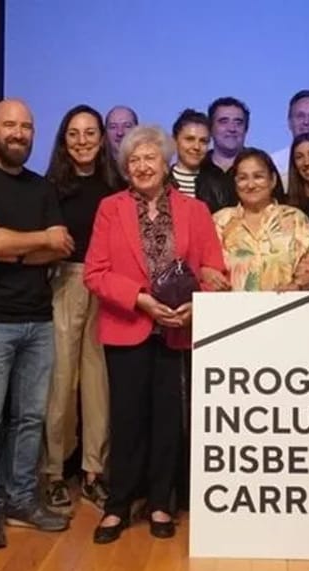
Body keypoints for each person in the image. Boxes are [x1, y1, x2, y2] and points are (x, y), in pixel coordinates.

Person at [84, 125, 226, 544]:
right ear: (126, 168)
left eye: (151, 159)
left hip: (176, 330)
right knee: (126, 420)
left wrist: (194, 305)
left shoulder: (195, 210)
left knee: (168, 420)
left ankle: (161, 501)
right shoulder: (110, 208)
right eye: (135, 160)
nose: (143, 166)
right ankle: (118, 505)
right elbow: (94, 274)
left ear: (166, 164)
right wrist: (140, 299)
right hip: (127, 324)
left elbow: (213, 269)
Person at [0, 99, 71, 549]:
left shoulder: (42, 188)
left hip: (37, 320)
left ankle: (22, 500)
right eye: (10, 125)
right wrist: (37, 240)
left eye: (26, 126)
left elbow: (60, 247)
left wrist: (18, 246)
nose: (19, 133)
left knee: (30, 419)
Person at [43, 105, 117, 514]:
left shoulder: (116, 184)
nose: (83, 140)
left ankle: (93, 472)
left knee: (98, 381)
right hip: (64, 282)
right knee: (58, 381)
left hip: (106, 285)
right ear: (64, 139)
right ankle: (54, 472)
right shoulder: (49, 186)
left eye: (90, 133)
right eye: (74, 133)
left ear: (103, 138)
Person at [213, 148, 309, 291]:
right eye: (243, 178)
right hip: (233, 310)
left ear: (273, 180)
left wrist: (297, 286)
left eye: (258, 176)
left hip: (285, 308)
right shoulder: (220, 220)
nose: (251, 185)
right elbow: (207, 268)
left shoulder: (295, 218)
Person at [170, 109, 235, 213]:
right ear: (174, 140)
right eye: (189, 139)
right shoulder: (160, 182)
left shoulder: (222, 183)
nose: (196, 146)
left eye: (203, 141)